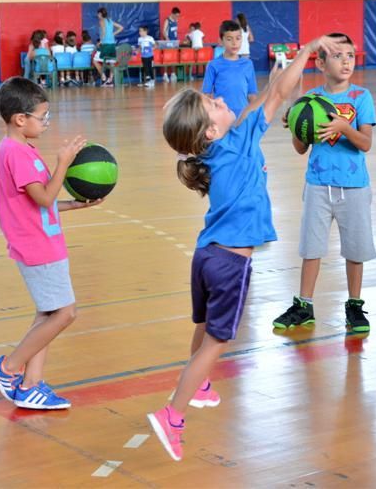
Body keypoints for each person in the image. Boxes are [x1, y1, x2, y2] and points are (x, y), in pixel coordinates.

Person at [147, 34, 344, 461]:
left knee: (202, 329)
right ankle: (172, 416)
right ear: (212, 129)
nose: (219, 98)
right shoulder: (237, 139)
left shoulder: (217, 152)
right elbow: (279, 92)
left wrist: (278, 76)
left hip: (205, 256)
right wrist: (308, 51)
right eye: (213, 103)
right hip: (230, 263)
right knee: (218, 342)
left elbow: (272, 90)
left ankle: (197, 385)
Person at [0, 76, 104, 409]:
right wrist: (63, 163)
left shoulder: (21, 149)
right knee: (65, 314)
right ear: (20, 119)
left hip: (44, 241)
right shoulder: (17, 154)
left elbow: (43, 202)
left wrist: (75, 205)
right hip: (36, 246)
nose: (46, 123)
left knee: (48, 313)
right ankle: (8, 367)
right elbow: (42, 198)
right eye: (43, 117)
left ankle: (31, 385)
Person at [271, 33, 376, 334]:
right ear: (320, 62)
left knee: (355, 249)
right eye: (337, 55)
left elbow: (366, 143)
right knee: (311, 247)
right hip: (318, 184)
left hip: (354, 186)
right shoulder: (310, 101)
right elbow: (300, 148)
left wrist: (344, 128)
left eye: (350, 56)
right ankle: (304, 305)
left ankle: (354, 306)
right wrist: (295, 125)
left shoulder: (361, 97)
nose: (346, 61)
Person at [201, 20, 258, 119]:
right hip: (222, 117)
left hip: (243, 117)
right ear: (221, 41)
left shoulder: (248, 64)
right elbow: (207, 95)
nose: (234, 43)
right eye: (229, 39)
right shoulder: (213, 65)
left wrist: (256, 116)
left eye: (238, 38)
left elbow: (252, 94)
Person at [97, 7, 123, 86]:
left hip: (105, 44)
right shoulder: (110, 20)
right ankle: (110, 80)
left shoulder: (101, 21)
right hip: (112, 44)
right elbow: (121, 28)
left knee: (95, 60)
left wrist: (100, 41)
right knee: (111, 62)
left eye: (98, 13)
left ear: (101, 14)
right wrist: (113, 34)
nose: (97, 15)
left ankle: (104, 78)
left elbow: (104, 32)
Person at [162, 7, 181, 83]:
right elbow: (163, 31)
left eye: (178, 16)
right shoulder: (167, 20)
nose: (177, 17)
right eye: (176, 15)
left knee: (173, 58)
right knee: (167, 58)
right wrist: (167, 39)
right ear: (172, 14)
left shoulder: (176, 20)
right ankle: (165, 74)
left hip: (174, 41)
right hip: (168, 41)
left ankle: (173, 73)